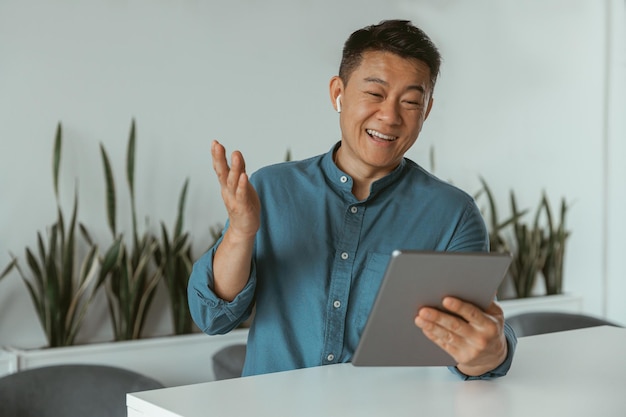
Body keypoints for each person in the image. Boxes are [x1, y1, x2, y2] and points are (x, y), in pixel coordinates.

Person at [188, 19, 516, 380]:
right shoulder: (271, 189)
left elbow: (476, 336)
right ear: (337, 93)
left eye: (409, 101)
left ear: (427, 111)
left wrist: (490, 352)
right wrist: (241, 231)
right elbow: (213, 317)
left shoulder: (454, 214)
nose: (389, 116)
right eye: (374, 94)